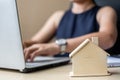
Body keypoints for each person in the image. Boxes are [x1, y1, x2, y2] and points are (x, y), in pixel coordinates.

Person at [24, 0, 117, 61]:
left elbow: (108, 37)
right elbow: (34, 43)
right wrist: (20, 45)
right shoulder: (58, 16)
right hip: (57, 70)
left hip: (87, 72)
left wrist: (58, 47)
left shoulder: (105, 11)